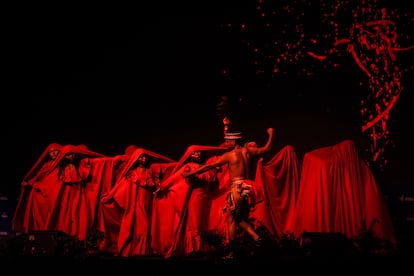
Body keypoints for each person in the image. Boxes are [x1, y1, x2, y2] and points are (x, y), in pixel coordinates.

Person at [182, 128, 275, 260]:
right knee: (240, 219)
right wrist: (271, 134)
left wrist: (190, 173)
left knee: (231, 220)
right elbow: (267, 148)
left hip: (237, 188)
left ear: (234, 140)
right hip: (249, 188)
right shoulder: (248, 151)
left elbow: (209, 166)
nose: (225, 143)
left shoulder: (230, 155)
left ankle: (232, 252)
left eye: (227, 140)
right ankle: (258, 239)